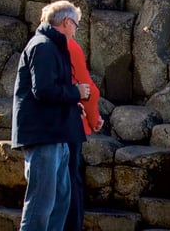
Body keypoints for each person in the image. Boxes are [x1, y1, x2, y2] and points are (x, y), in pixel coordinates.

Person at [12, 0, 89, 231]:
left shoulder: (52, 46)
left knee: (60, 201)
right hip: (44, 135)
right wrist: (76, 92)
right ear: (66, 22)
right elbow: (43, 90)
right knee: (41, 203)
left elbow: (50, 90)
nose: (75, 31)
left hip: (57, 133)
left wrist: (72, 104)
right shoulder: (43, 46)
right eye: (75, 25)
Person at [65, 33, 103, 231]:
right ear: (66, 23)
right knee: (71, 181)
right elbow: (88, 89)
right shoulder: (71, 46)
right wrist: (94, 118)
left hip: (50, 126)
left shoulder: (38, 45)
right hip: (71, 123)